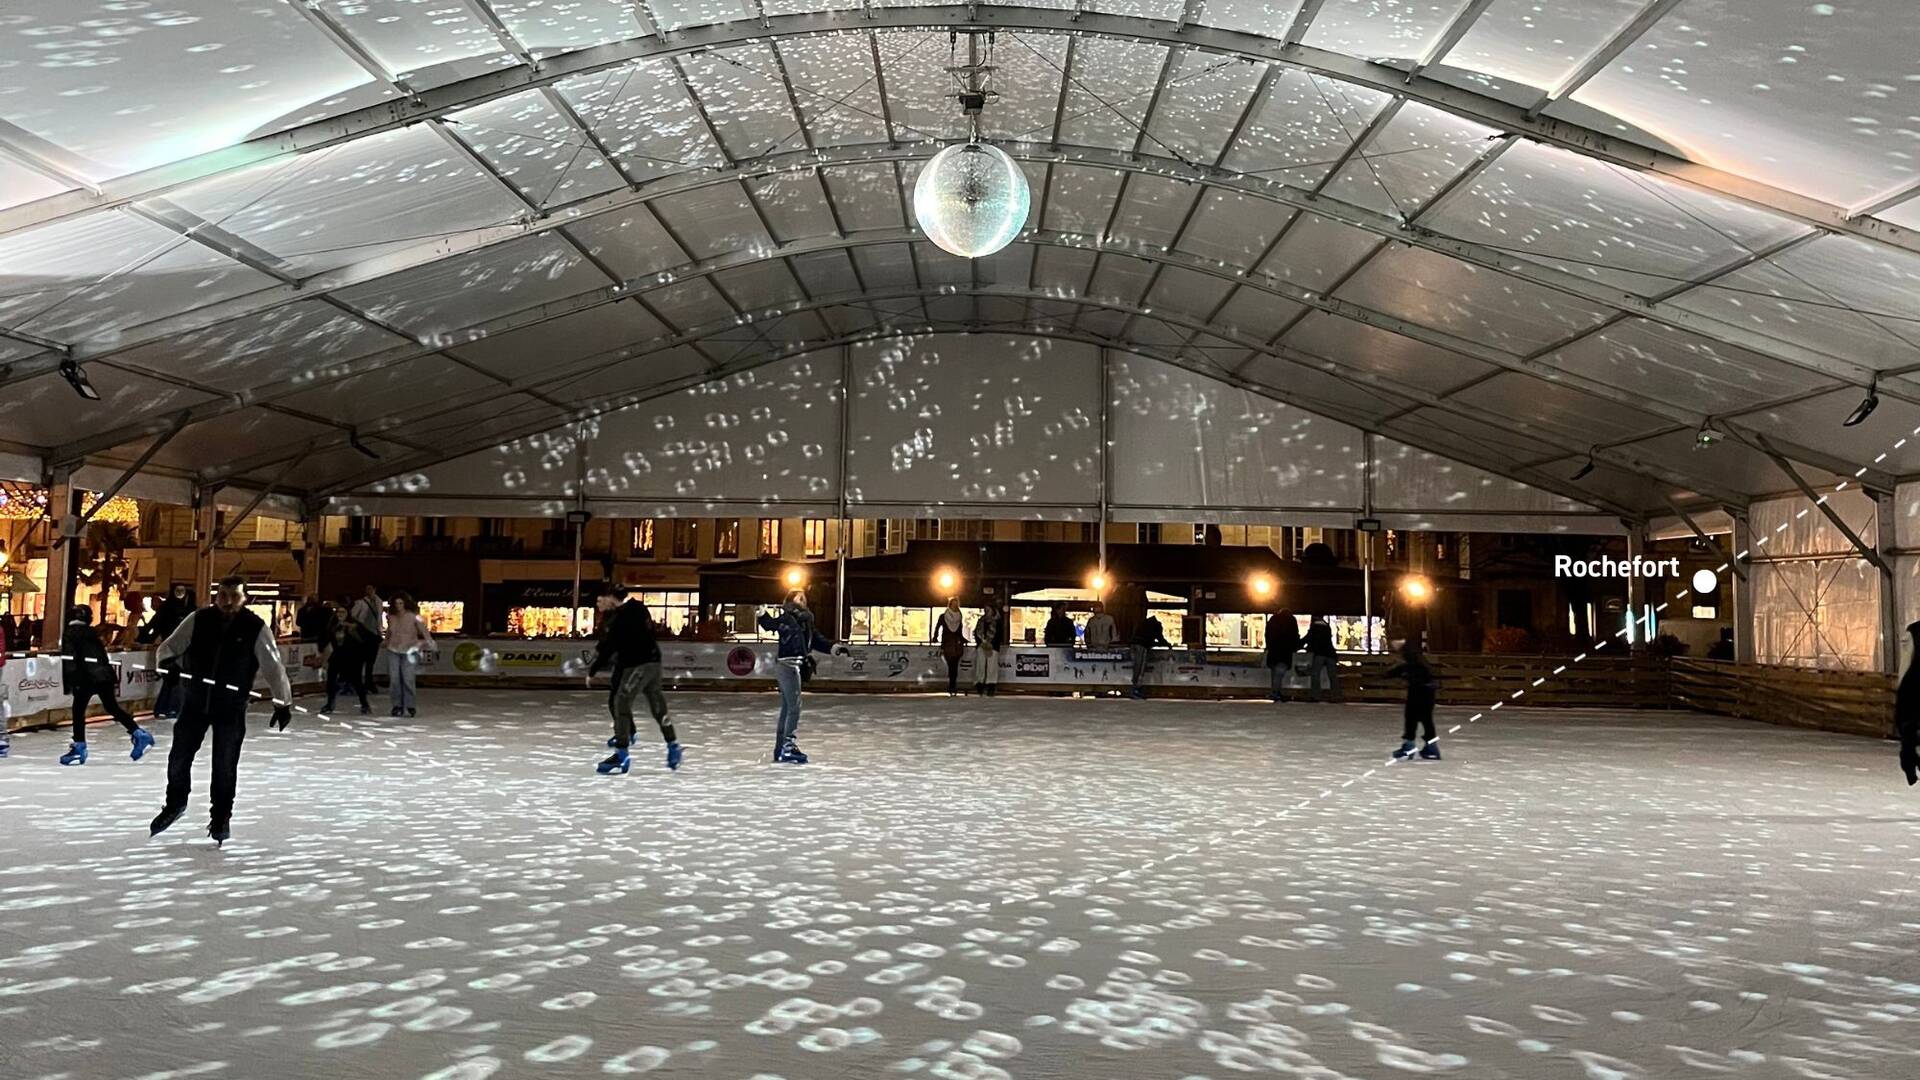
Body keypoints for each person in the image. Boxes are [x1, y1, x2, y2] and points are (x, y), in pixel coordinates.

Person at [149, 576, 293, 846]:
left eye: (234, 596)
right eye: (223, 596)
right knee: (179, 756)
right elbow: (169, 646)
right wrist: (167, 664)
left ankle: (221, 817)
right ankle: (175, 803)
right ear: (216, 596)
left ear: (244, 598)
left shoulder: (255, 627)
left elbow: (273, 666)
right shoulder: (198, 619)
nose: (227, 602)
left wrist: (282, 702)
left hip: (230, 707)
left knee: (225, 764)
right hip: (194, 702)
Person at [589, 585, 679, 774]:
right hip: (653, 662)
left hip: (639, 665)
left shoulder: (620, 617)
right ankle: (673, 746)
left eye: (600, 601)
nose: (598, 605)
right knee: (656, 704)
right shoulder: (638, 608)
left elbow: (610, 646)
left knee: (621, 702)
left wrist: (593, 670)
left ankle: (621, 754)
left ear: (610, 598)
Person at [59, 604, 154, 766]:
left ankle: (79, 745)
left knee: (78, 710)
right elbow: (100, 655)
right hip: (104, 676)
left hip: (85, 678)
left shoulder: (70, 633)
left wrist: (71, 682)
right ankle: (138, 733)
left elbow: (70, 659)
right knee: (112, 707)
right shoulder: (92, 633)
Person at [756, 590, 840, 764]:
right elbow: (771, 624)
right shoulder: (787, 618)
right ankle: (787, 746)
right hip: (787, 666)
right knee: (794, 707)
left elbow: (816, 640)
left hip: (794, 666)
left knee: (788, 707)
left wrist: (834, 648)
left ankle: (781, 747)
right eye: (797, 596)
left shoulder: (806, 620)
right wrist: (762, 615)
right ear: (789, 600)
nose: (801, 599)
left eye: (803, 597)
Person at [1384, 635, 1441, 760]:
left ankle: (1410, 747)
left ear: (1396, 641)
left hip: (1420, 689)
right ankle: (1431, 748)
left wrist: (1397, 674)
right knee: (1424, 718)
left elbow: (1412, 668)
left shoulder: (1408, 651)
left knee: (1412, 717)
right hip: (1426, 688)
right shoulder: (1410, 650)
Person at [381, 592, 433, 717]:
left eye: (401, 603)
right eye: (396, 603)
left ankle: (410, 705)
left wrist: (428, 642)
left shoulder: (414, 617)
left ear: (405, 604)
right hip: (393, 649)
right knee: (394, 679)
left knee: (408, 679)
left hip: (410, 651)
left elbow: (424, 631)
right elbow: (390, 631)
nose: (398, 606)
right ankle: (397, 705)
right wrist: (386, 641)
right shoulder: (391, 617)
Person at [146, 584, 193, 719]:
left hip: (181, 650)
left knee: (173, 679)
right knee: (174, 679)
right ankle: (171, 707)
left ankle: (166, 707)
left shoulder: (189, 611)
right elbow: (154, 627)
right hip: (172, 650)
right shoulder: (167, 610)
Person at [320, 608, 375, 715]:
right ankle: (329, 704)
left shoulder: (354, 625)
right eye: (338, 612)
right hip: (337, 656)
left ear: (347, 614)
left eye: (343, 612)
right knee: (331, 680)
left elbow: (366, 640)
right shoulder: (333, 626)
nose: (340, 614)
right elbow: (327, 642)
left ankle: (364, 704)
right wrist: (324, 659)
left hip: (352, 657)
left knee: (357, 682)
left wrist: (353, 631)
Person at [1129, 612, 1173, 699]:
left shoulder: (1143, 623)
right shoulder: (1157, 625)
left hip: (1134, 645)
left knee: (1136, 667)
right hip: (1142, 646)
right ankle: (1136, 689)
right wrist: (1167, 645)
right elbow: (1160, 638)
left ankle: (1135, 688)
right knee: (1141, 667)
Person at [350, 585, 384, 691]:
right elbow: (353, 615)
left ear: (374, 590)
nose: (368, 591)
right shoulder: (360, 603)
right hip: (364, 634)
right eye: (367, 589)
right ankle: (361, 682)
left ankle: (368, 682)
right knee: (361, 659)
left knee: (370, 660)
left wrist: (379, 631)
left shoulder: (379, 602)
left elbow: (379, 618)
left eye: (370, 589)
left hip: (373, 634)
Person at [1264, 608, 1301, 704]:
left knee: (1275, 672)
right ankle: (1276, 692)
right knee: (1279, 672)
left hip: (1273, 651)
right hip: (1285, 651)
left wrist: (1268, 646)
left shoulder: (1273, 619)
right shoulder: (1291, 620)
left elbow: (1267, 634)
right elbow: (1295, 635)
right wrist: (1295, 647)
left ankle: (1275, 691)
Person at [1899, 621, 1920, 786]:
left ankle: (1909, 761)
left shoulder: (1914, 630)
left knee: (1909, 732)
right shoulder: (1914, 631)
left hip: (1912, 689)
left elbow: (1905, 665)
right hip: (1914, 690)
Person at [1304, 615, 1342, 702]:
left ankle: (1316, 695)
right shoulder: (1327, 626)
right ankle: (1336, 696)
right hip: (1330, 653)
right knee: (1332, 675)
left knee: (1315, 674)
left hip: (1320, 653)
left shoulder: (1314, 627)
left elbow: (1308, 639)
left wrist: (1298, 646)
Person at [973, 600, 1006, 697]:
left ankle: (991, 685)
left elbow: (999, 635)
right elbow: (976, 633)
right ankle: (980, 684)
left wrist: (991, 644)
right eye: (985, 609)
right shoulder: (981, 621)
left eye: (988, 609)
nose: (986, 611)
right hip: (981, 646)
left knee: (992, 667)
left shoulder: (997, 622)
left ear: (992, 610)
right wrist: (981, 643)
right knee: (980, 665)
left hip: (993, 647)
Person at [935, 598, 967, 696]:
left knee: (954, 665)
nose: (954, 606)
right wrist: (935, 636)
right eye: (953, 604)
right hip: (948, 643)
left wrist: (962, 639)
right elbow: (938, 627)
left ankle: (953, 684)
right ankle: (952, 684)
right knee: (951, 664)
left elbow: (959, 631)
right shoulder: (944, 616)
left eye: (956, 604)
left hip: (956, 643)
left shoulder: (959, 617)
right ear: (950, 605)